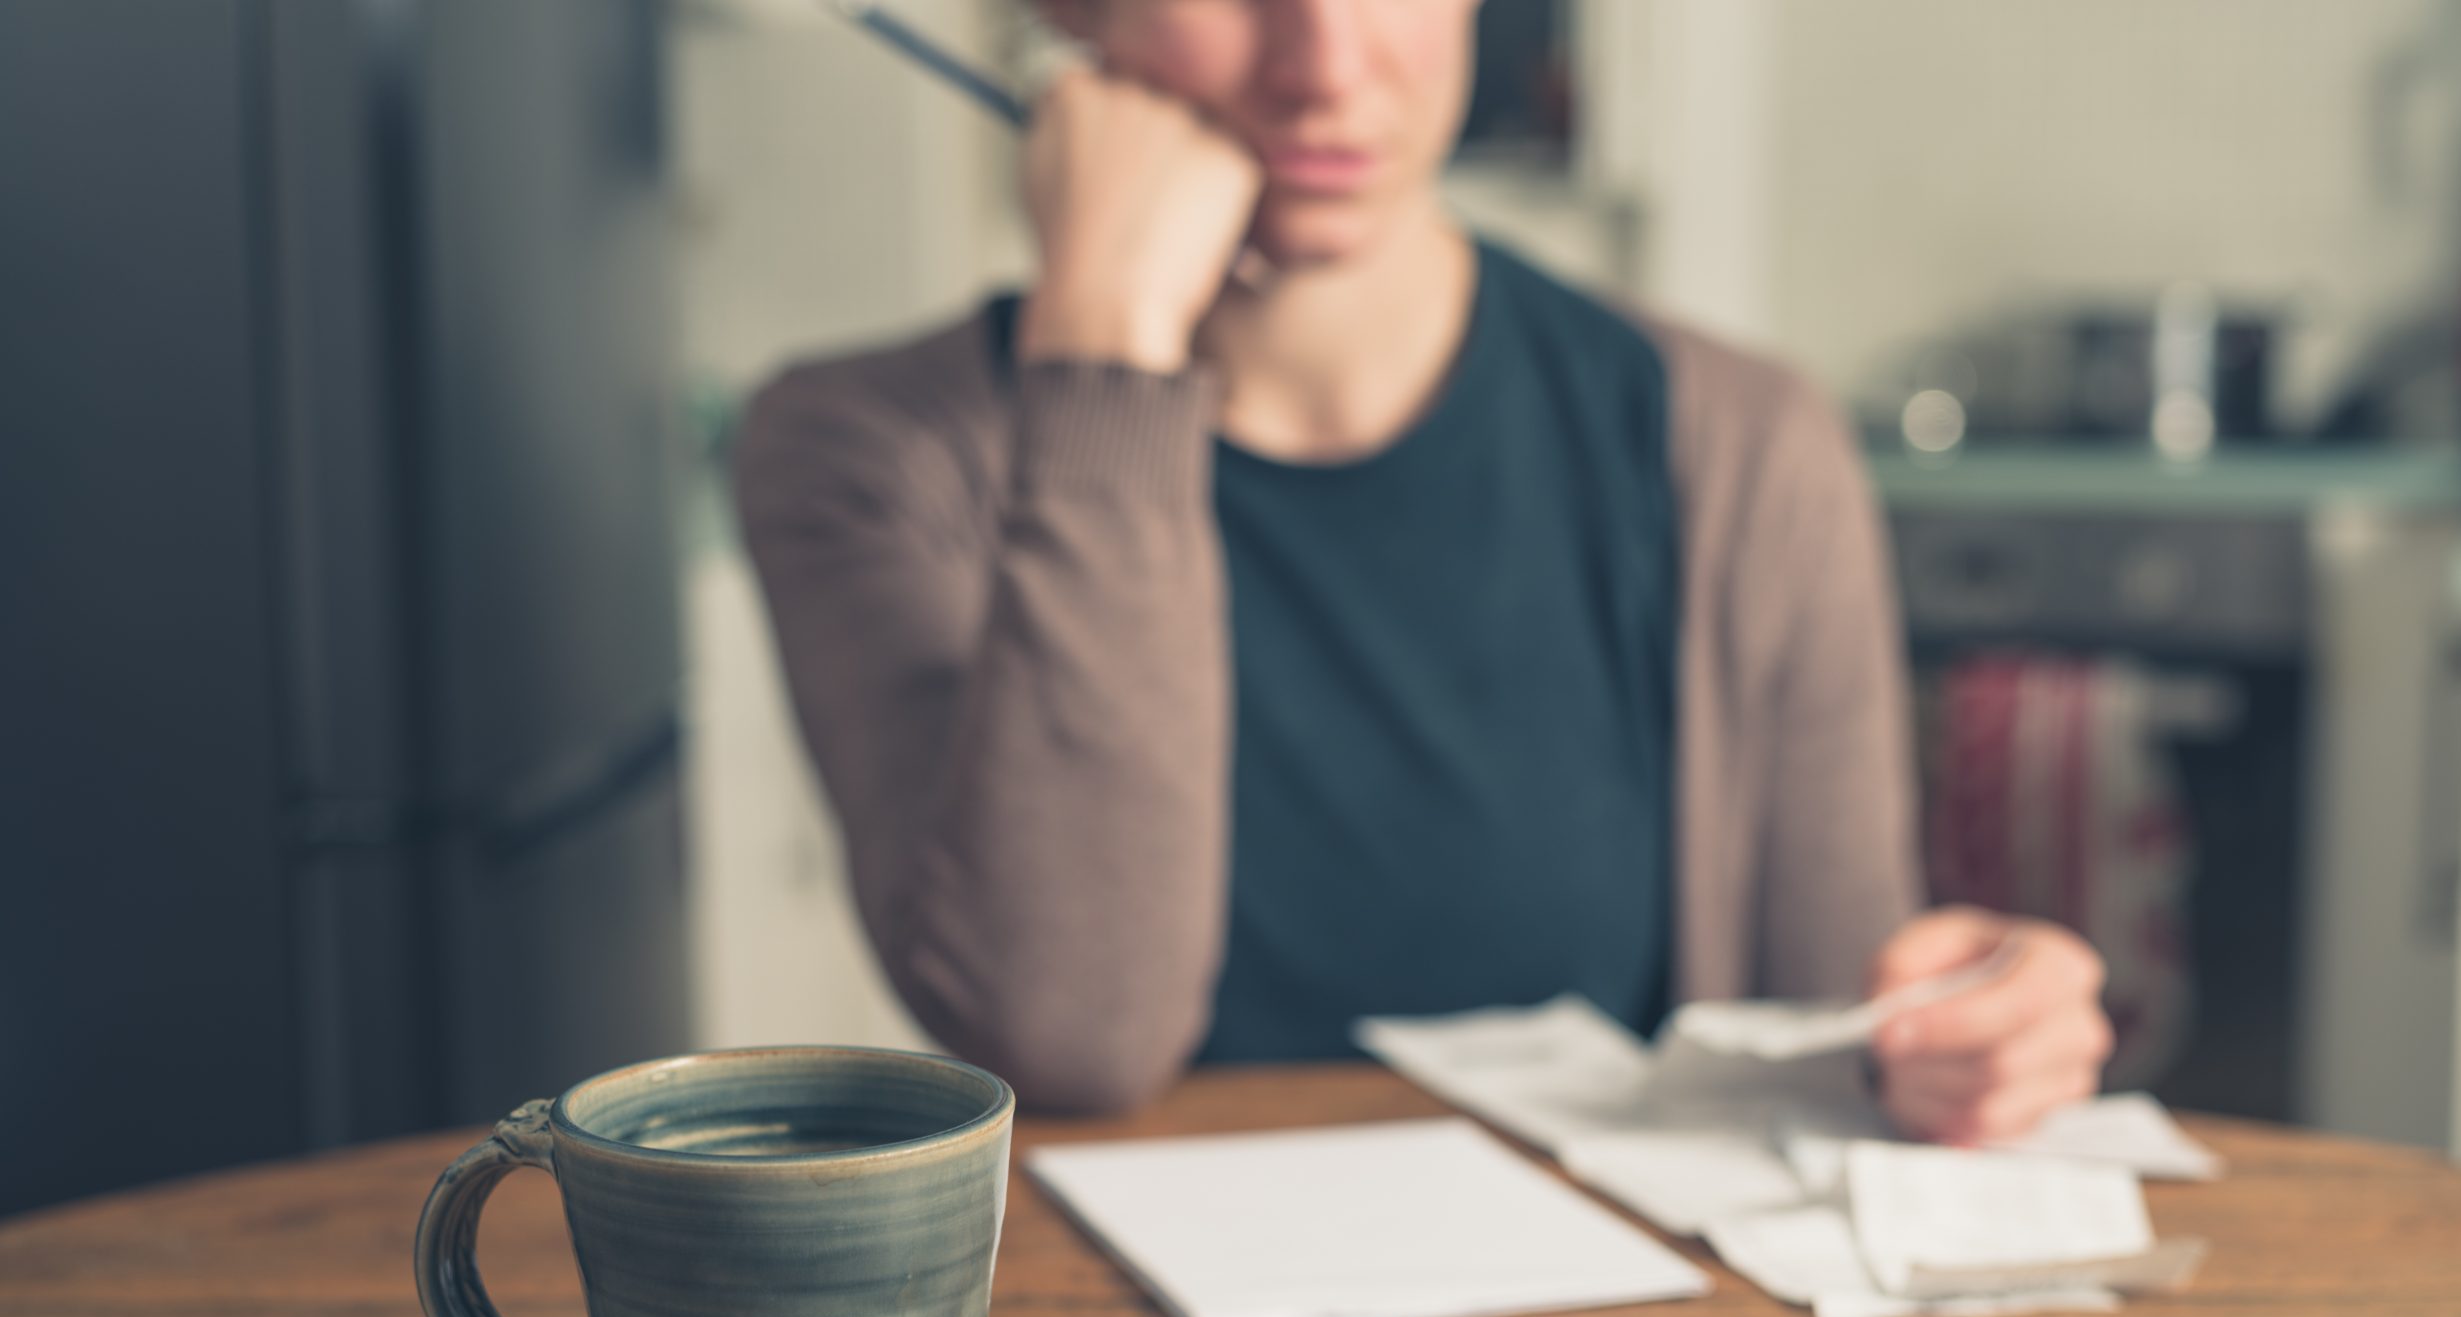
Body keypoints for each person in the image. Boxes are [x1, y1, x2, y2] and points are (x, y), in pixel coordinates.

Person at [734, 0, 2113, 1140]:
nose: (1326, 63)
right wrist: (1105, 347)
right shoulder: (861, 451)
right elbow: (1071, 1031)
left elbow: (1829, 1039)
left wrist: (1964, 1037)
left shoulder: (1739, 442)